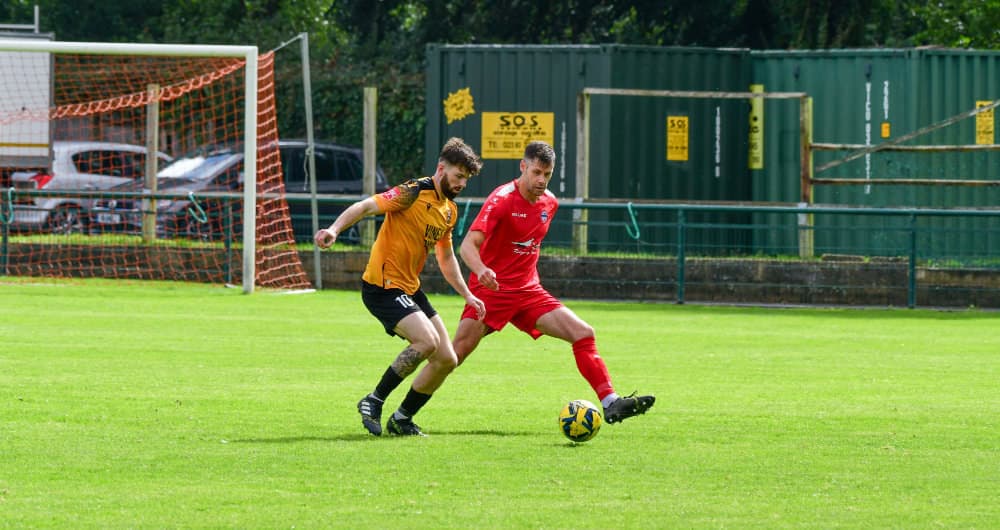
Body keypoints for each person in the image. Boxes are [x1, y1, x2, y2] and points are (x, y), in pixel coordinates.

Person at [429, 140, 654, 424]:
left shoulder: (550, 202)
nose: (541, 180)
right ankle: (403, 412)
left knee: (583, 333)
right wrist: (482, 269)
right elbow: (467, 247)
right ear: (523, 167)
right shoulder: (501, 199)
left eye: (547, 174)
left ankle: (611, 402)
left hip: (528, 293)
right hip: (493, 292)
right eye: (536, 172)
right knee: (453, 356)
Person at [314, 137, 486, 437]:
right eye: (458, 176)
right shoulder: (413, 191)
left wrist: (467, 294)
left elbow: (446, 258)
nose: (461, 184)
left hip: (409, 288)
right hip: (382, 286)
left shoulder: (449, 210)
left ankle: (402, 418)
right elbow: (366, 205)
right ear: (441, 169)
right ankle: (374, 400)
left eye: (466, 179)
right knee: (426, 342)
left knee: (447, 359)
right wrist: (334, 229)